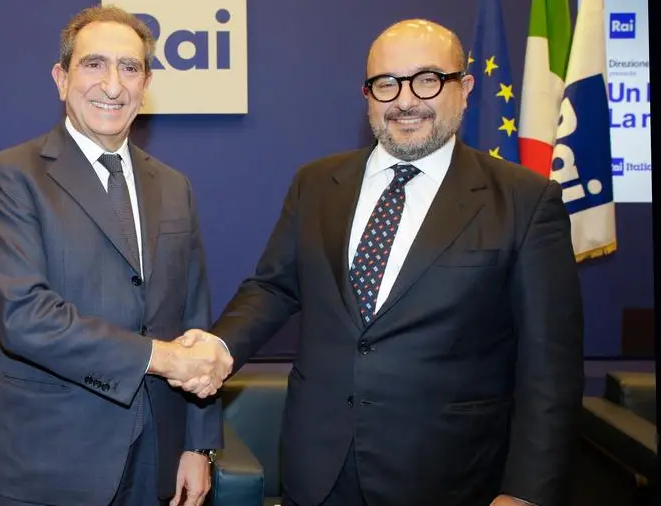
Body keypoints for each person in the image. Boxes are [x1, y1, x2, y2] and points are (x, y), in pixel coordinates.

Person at [177, 19, 583, 506]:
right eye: (386, 83)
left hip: (448, 478)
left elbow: (550, 367)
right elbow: (273, 287)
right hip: (318, 471)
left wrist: (526, 492)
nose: (405, 101)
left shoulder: (524, 200)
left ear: (465, 88)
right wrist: (220, 346)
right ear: (367, 95)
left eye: (427, 80)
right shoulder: (316, 183)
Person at [0, 6, 232, 506]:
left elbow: (194, 315)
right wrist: (162, 358)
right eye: (94, 64)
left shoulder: (174, 186)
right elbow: (23, 316)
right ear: (61, 79)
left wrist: (199, 444)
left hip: (156, 456)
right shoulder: (11, 176)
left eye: (129, 68)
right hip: (51, 461)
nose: (112, 85)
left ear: (146, 84)